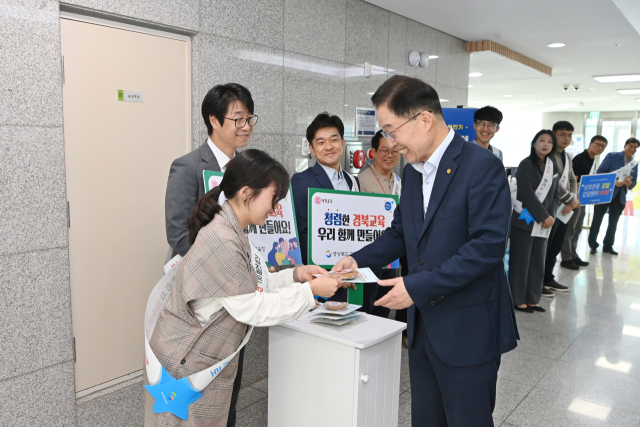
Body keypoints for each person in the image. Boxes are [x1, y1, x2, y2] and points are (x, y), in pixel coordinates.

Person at [332, 75, 518, 427]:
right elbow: (401, 233)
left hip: (468, 330)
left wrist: (415, 288)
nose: (389, 141)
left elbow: (487, 248)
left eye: (391, 129)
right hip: (423, 332)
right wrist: (357, 259)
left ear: (424, 120)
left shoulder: (482, 167)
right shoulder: (414, 171)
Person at [145, 149, 342, 427]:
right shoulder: (223, 239)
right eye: (273, 200)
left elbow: (256, 283)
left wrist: (297, 275)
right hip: (185, 363)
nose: (275, 210)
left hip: (197, 356)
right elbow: (253, 307)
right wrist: (310, 293)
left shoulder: (233, 227)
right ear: (247, 193)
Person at [165, 83, 257, 258]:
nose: (246, 126)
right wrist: (220, 264)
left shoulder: (249, 168)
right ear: (214, 120)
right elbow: (178, 234)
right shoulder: (187, 167)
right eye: (238, 119)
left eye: (249, 119)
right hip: (202, 274)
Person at [291, 112, 360, 302]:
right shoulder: (301, 181)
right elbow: (300, 233)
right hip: (321, 275)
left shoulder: (353, 181)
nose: (329, 147)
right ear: (312, 149)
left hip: (352, 272)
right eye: (321, 142)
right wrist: (323, 272)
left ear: (343, 143)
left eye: (334, 140)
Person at [510, 130, 564, 313]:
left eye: (549, 142)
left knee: (537, 261)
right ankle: (518, 299)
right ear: (534, 143)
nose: (545, 144)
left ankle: (533, 299)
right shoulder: (525, 164)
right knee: (521, 261)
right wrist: (543, 216)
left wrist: (552, 216)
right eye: (541, 140)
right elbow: (525, 193)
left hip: (545, 223)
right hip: (526, 219)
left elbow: (556, 195)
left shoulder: (553, 167)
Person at [358, 130, 403, 320]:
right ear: (374, 152)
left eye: (394, 151)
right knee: (369, 301)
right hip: (371, 249)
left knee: (386, 301)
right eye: (384, 150)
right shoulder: (361, 181)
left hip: (394, 252)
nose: (389, 156)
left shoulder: (400, 181)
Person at [538, 121, 580, 297]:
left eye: (569, 135)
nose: (566, 138)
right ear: (554, 135)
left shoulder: (568, 156)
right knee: (544, 247)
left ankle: (548, 277)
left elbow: (571, 179)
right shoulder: (547, 155)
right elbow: (554, 182)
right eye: (562, 134)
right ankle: (538, 280)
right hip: (550, 208)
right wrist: (570, 198)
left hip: (565, 210)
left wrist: (573, 200)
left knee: (556, 245)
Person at [560, 135, 608, 268]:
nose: (600, 148)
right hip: (574, 201)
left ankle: (573, 255)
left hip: (582, 201)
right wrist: (573, 201)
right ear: (590, 143)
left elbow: (589, 182)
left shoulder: (593, 160)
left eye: (603, 146)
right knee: (569, 231)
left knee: (577, 229)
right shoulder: (580, 159)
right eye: (598, 144)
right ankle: (566, 258)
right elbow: (572, 181)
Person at [588, 137, 639, 255]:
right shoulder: (613, 156)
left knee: (613, 223)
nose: (632, 149)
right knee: (597, 220)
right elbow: (600, 172)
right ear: (625, 146)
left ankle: (608, 245)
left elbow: (634, 182)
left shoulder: (634, 164)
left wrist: (629, 183)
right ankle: (593, 245)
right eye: (631, 146)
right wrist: (614, 182)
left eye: (635, 148)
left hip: (619, 196)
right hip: (605, 193)